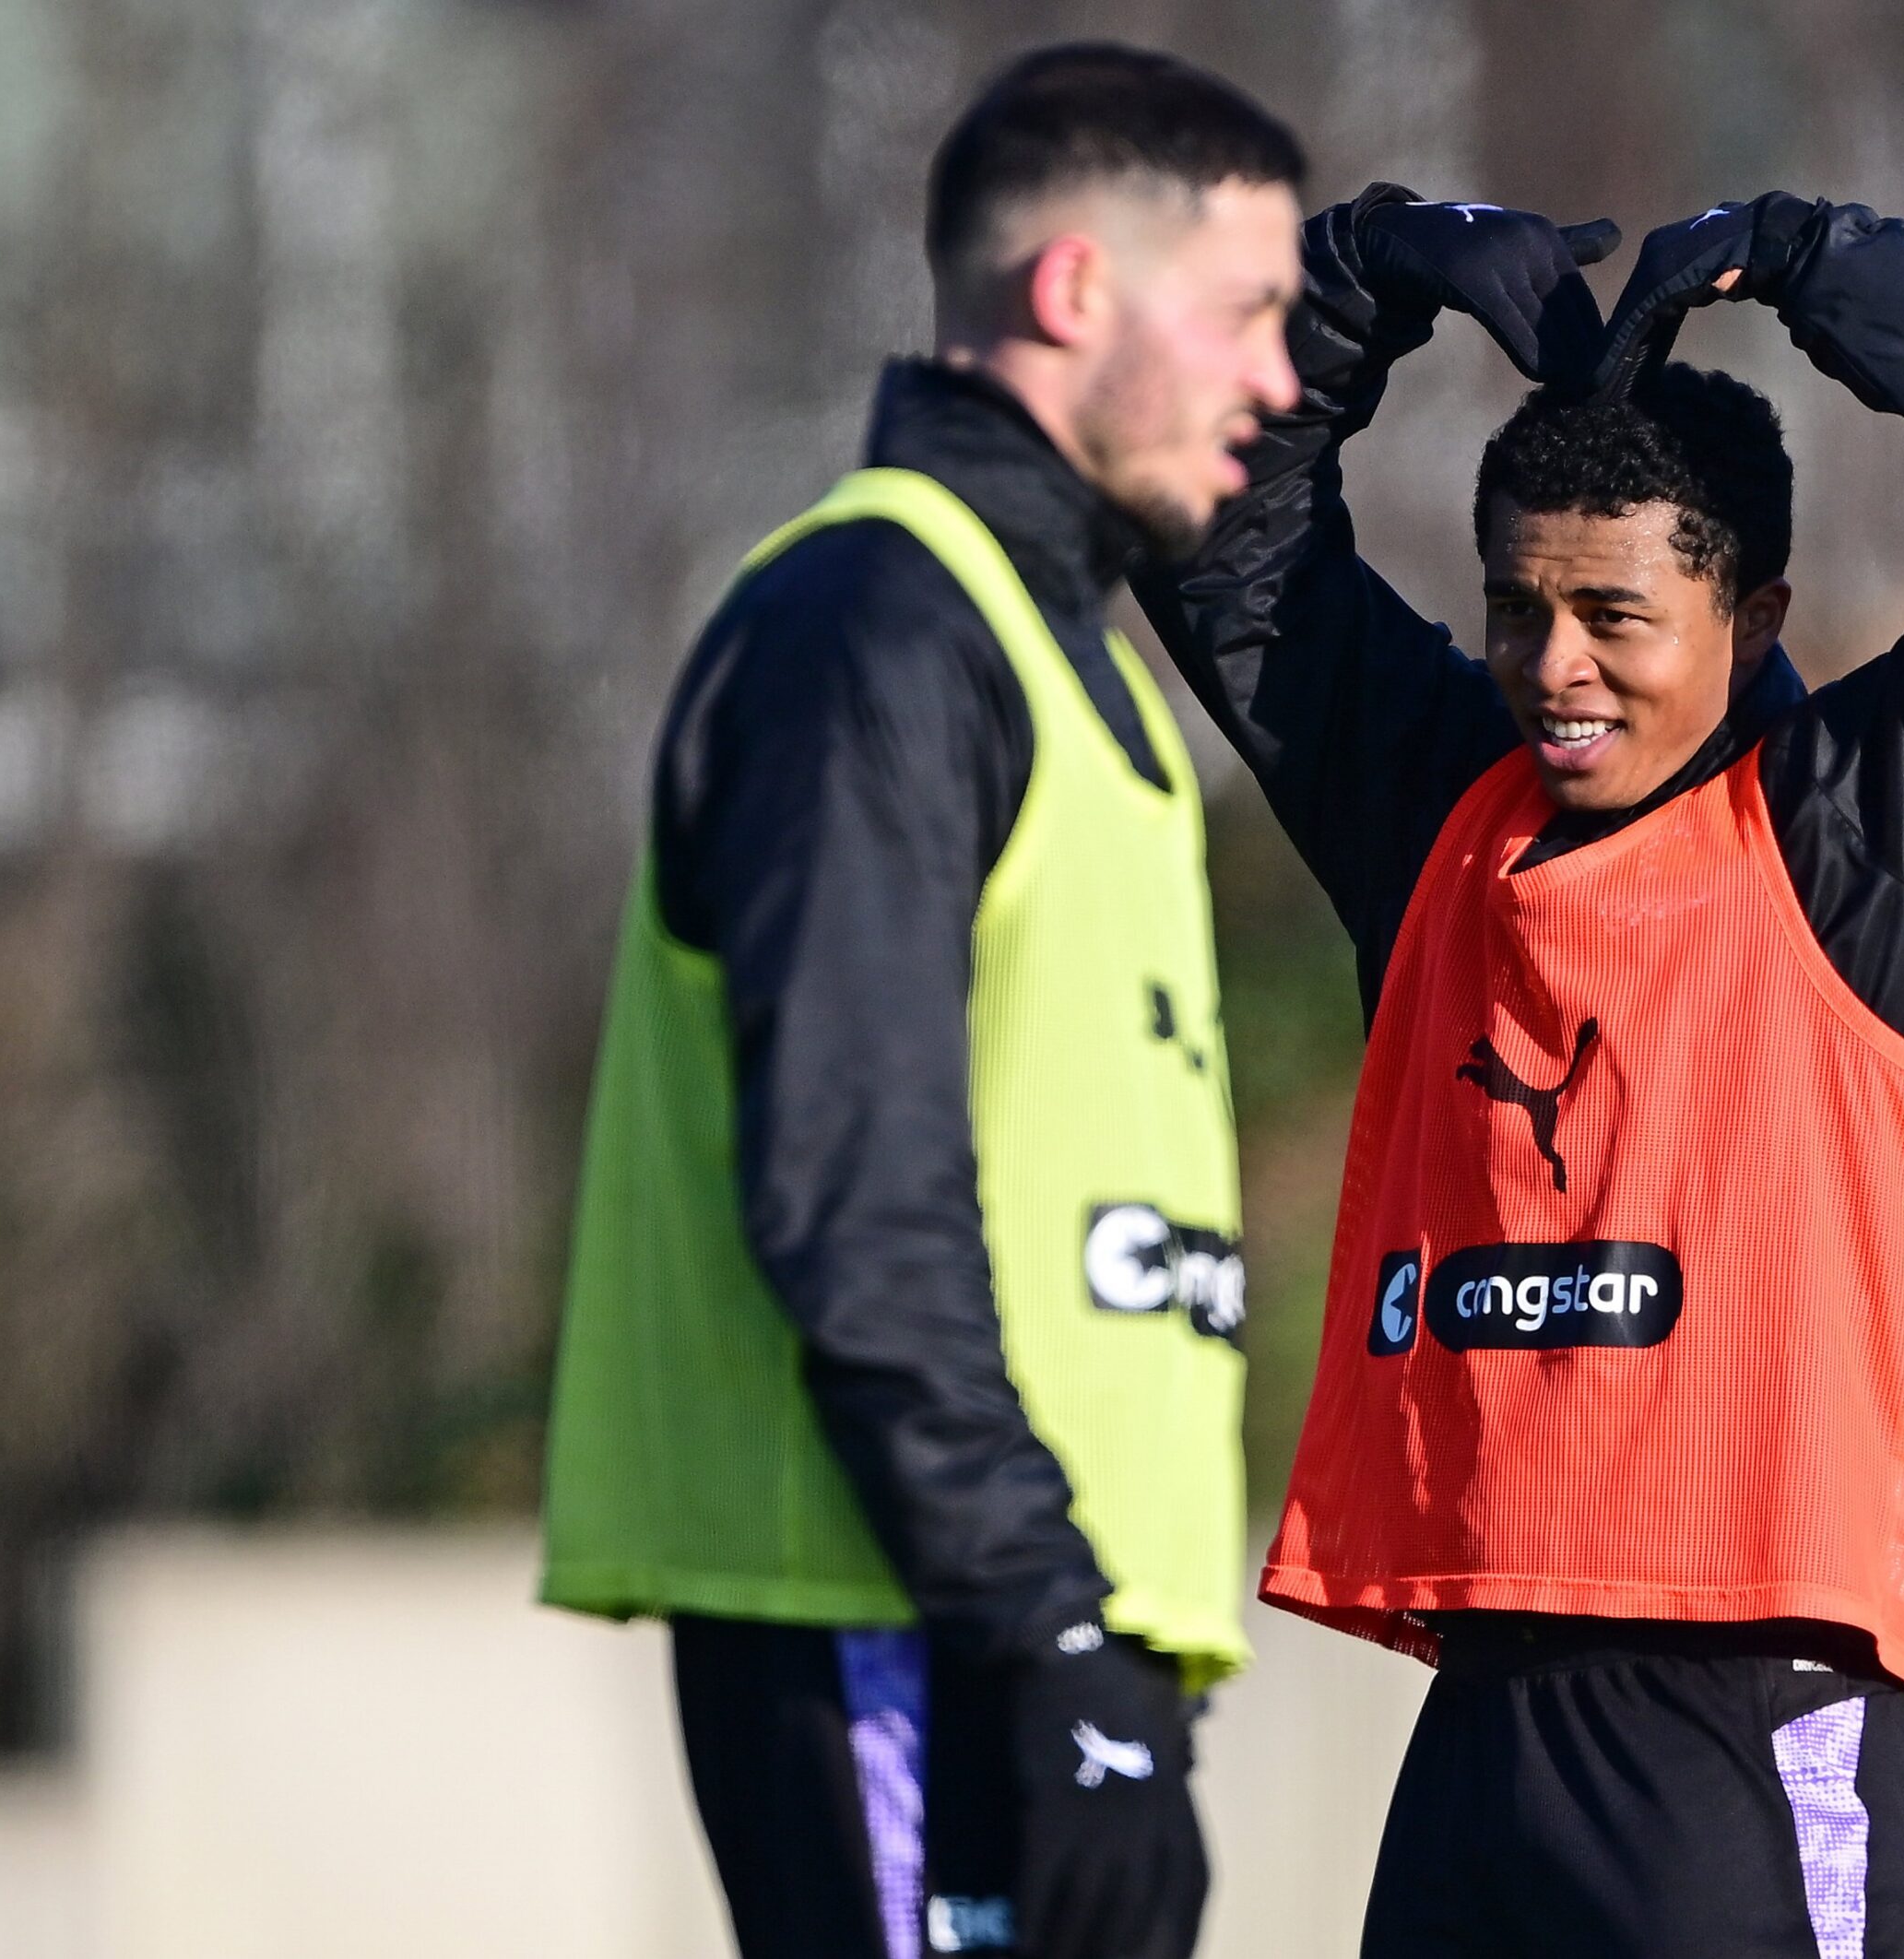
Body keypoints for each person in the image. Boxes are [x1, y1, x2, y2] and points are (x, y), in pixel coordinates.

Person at [1131, 186, 1904, 1955]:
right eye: (1516, 608)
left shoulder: (1877, 840)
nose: (1555, 668)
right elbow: (1208, 521)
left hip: (1750, 1720)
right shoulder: (1441, 824)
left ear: (1753, 617)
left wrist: (1826, 264)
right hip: (1484, 1725)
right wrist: (1364, 272)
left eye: (1615, 615)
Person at [538, 42, 1304, 1959]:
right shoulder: (874, 626)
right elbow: (855, 1188)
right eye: (1244, 314)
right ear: (1074, 287)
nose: (1279, 380)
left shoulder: (1077, 666)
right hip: (910, 1624)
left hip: (1042, 1635)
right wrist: (1038, 1624)